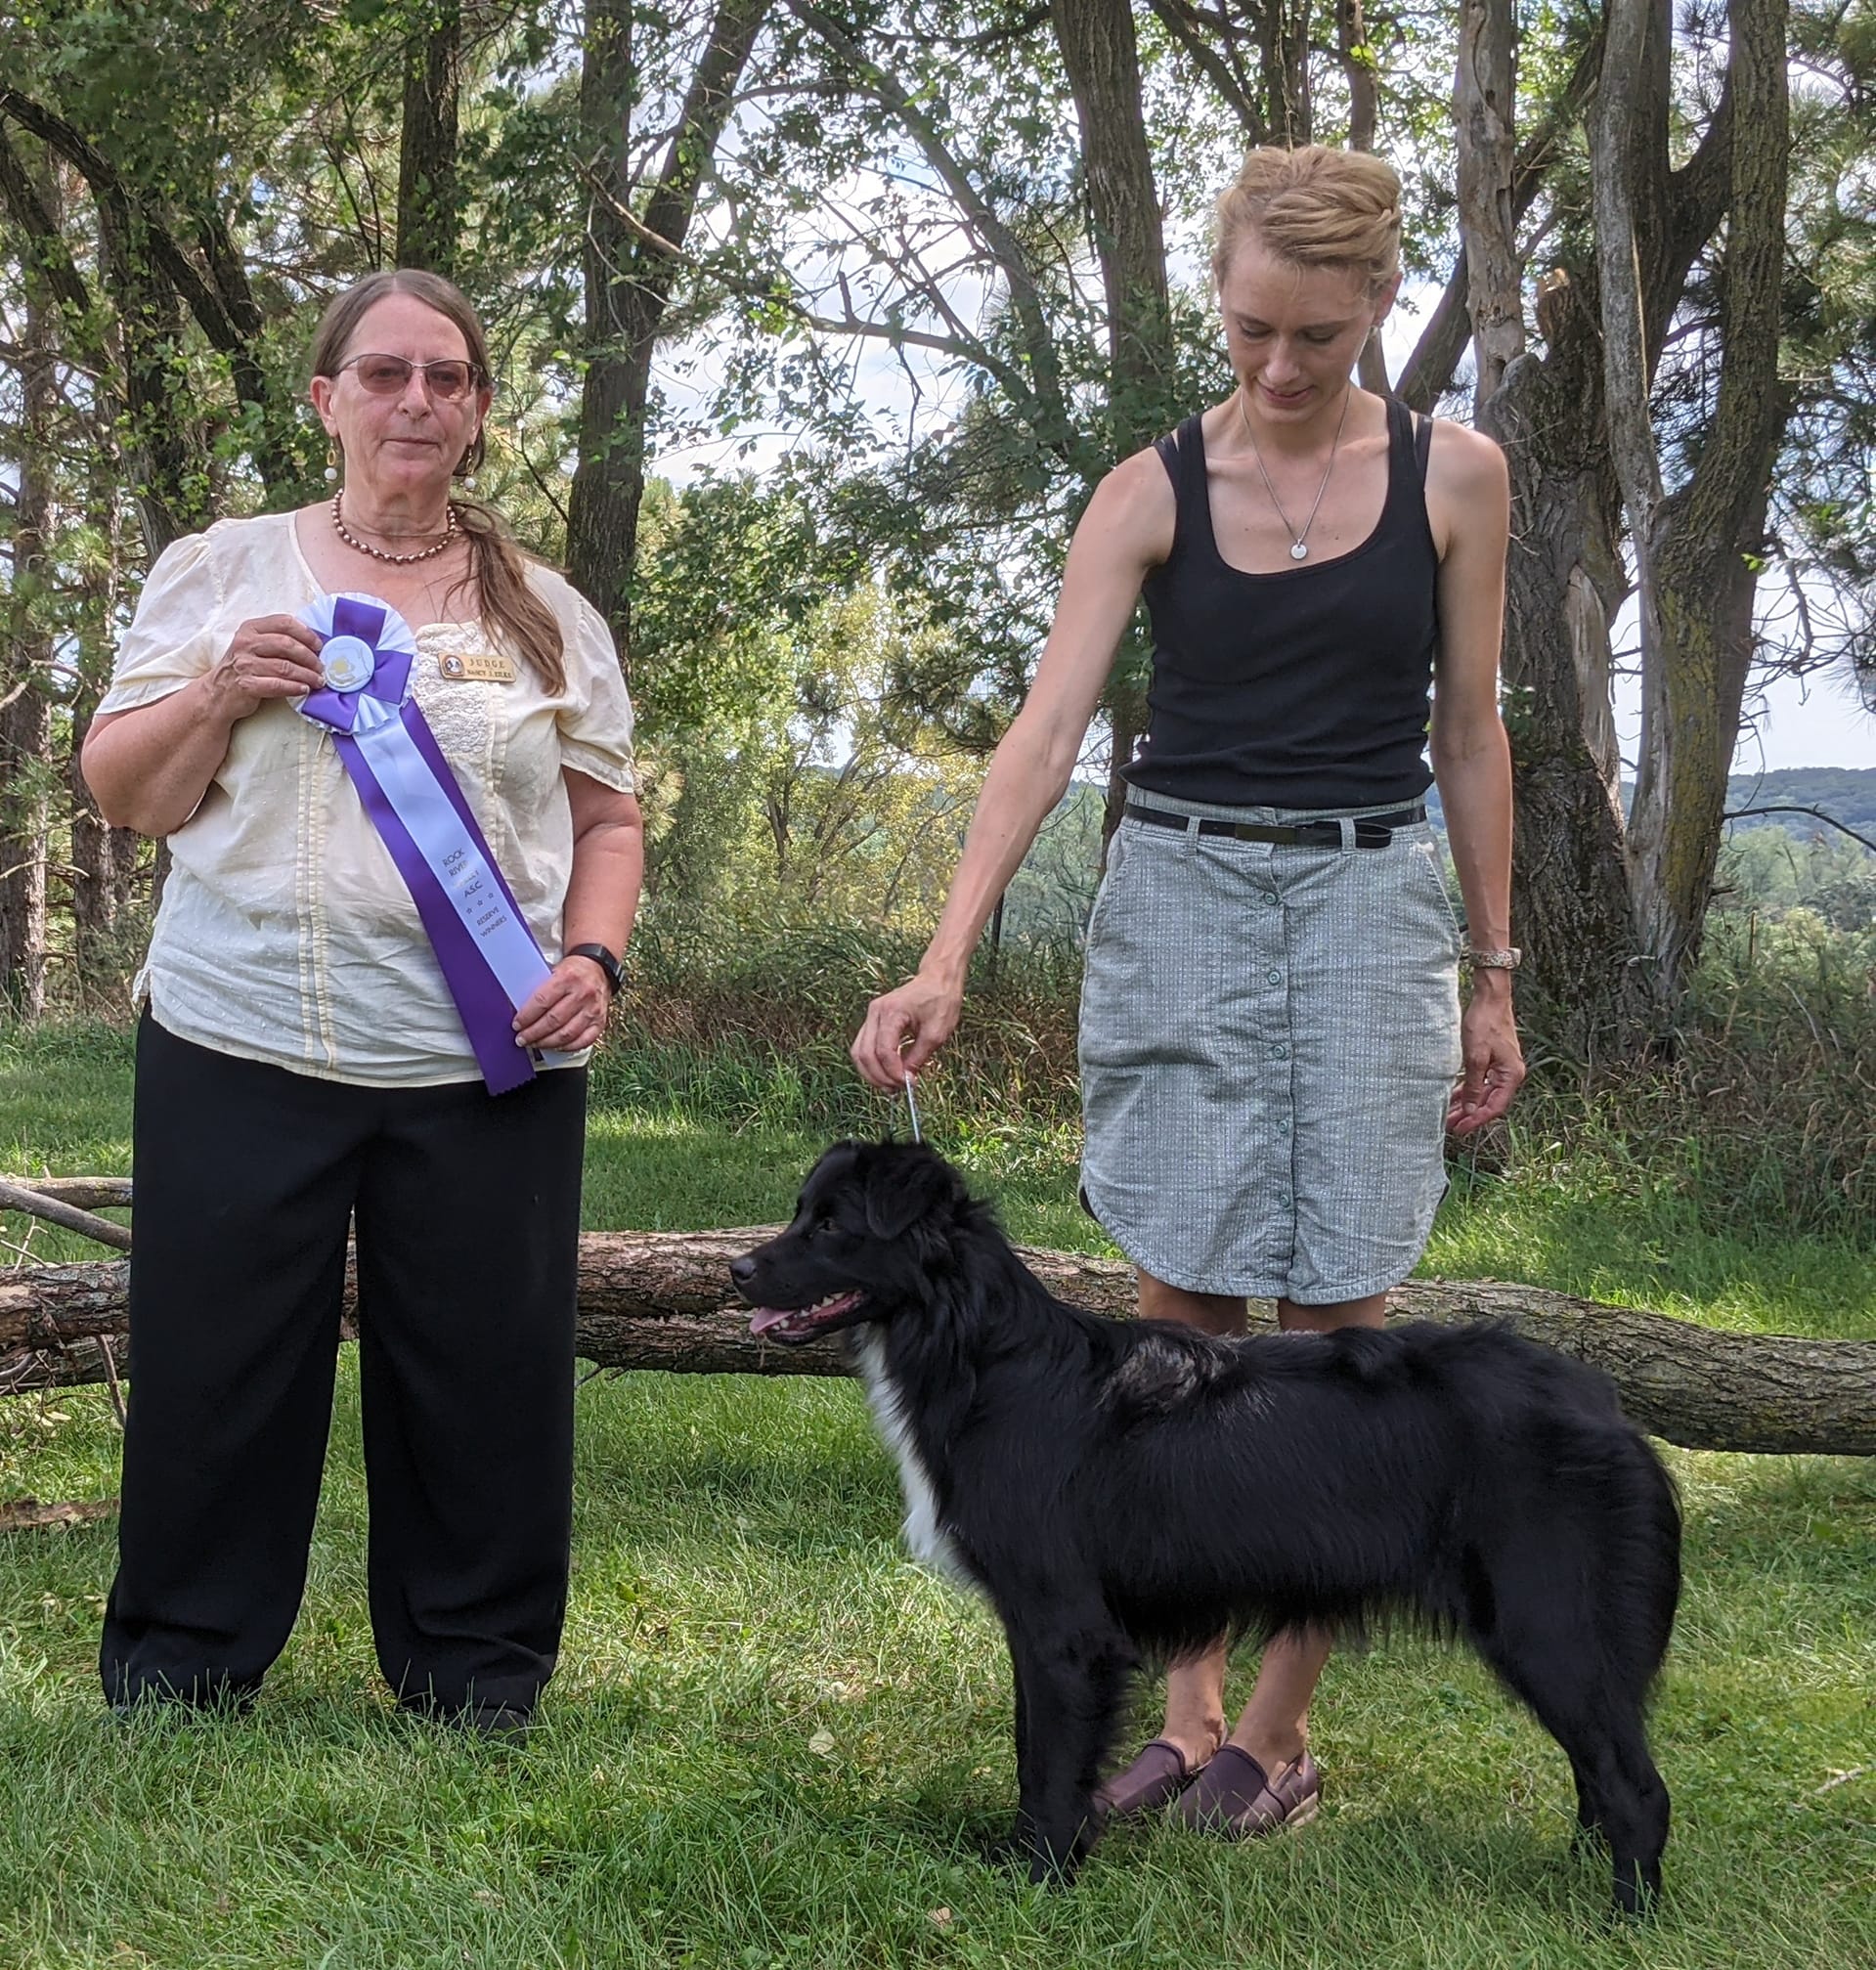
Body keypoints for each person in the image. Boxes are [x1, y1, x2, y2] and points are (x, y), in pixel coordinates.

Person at [851, 146, 1525, 1834]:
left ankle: (1275, 1741)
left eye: (1319, 335)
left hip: (1373, 901)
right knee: (1184, 1315)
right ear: (1217, 305)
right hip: (1181, 897)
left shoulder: (1457, 479)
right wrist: (947, 951)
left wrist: (1494, 973)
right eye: (1250, 331)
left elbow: (1468, 732)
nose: (1281, 365)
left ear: (1382, 305)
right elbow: (1045, 732)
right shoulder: (1147, 492)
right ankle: (1187, 1710)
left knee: (1346, 1320)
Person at [84, 269, 642, 1736]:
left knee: (484, 1375)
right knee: (218, 1366)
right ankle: (184, 1665)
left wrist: (591, 960)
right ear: (327, 399)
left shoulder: (550, 614)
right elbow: (125, 796)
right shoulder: (222, 571)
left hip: (487, 1057)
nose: (417, 400)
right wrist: (216, 695)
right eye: (386, 374)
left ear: (478, 411)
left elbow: (608, 820)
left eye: (447, 378)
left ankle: (476, 1674)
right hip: (237, 1036)